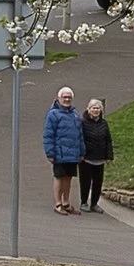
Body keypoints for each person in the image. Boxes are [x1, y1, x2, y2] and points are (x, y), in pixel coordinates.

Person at [42, 84, 83, 212]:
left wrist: (82, 151)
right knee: (59, 177)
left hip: (72, 153)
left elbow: (80, 135)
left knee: (68, 178)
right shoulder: (53, 115)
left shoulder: (75, 114)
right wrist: (50, 152)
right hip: (59, 153)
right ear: (58, 98)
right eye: (64, 97)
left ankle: (66, 202)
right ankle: (58, 203)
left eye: (69, 97)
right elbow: (48, 135)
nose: (67, 100)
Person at [77, 95, 115, 211]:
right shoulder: (82, 122)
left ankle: (94, 203)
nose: (95, 110)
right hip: (86, 158)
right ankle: (84, 202)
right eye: (93, 108)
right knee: (85, 182)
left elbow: (108, 139)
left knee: (98, 183)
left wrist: (109, 156)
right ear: (88, 109)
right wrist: (80, 154)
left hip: (100, 158)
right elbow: (79, 138)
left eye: (98, 108)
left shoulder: (104, 123)